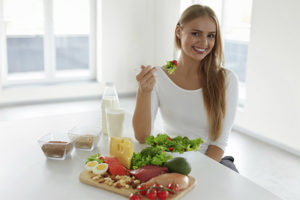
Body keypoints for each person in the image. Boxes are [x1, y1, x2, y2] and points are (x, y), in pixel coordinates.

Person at [132, 4, 239, 173]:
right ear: (178, 32)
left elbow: (218, 145)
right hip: (170, 163)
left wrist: (193, 176)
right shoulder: (158, 76)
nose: (204, 42)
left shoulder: (227, 80)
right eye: (195, 33)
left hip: (210, 164)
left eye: (211, 36)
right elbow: (142, 136)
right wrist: (143, 92)